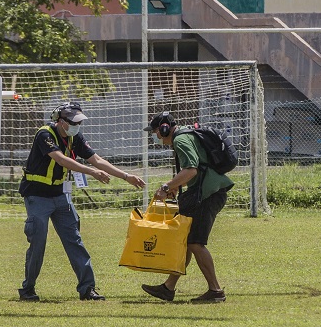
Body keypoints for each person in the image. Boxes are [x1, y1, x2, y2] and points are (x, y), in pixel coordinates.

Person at [18, 102, 146, 302]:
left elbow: (97, 160)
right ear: (60, 122)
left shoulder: (74, 137)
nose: (77, 126)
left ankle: (88, 289)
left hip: (60, 196)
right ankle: (28, 289)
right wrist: (91, 172)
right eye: (74, 122)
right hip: (37, 197)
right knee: (38, 241)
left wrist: (126, 176)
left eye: (79, 122)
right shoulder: (45, 134)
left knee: (75, 241)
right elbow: (61, 160)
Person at [141, 112, 234, 304]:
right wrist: (175, 186)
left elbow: (191, 169)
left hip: (207, 194)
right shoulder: (185, 135)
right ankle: (168, 287)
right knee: (186, 241)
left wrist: (167, 187)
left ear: (164, 128)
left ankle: (216, 291)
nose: (155, 136)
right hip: (203, 192)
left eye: (156, 132)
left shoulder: (181, 140)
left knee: (195, 243)